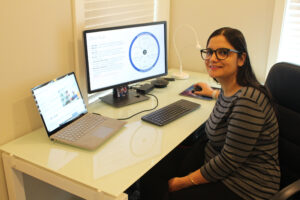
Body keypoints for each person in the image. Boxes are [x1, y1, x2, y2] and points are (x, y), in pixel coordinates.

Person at [139, 27, 280, 200]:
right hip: (217, 162)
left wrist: (181, 182)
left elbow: (228, 162)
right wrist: (212, 93)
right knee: (151, 172)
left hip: (245, 185)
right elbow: (231, 103)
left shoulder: (248, 101)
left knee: (170, 193)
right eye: (209, 52)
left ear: (241, 59)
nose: (213, 58)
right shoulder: (231, 90)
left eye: (223, 52)